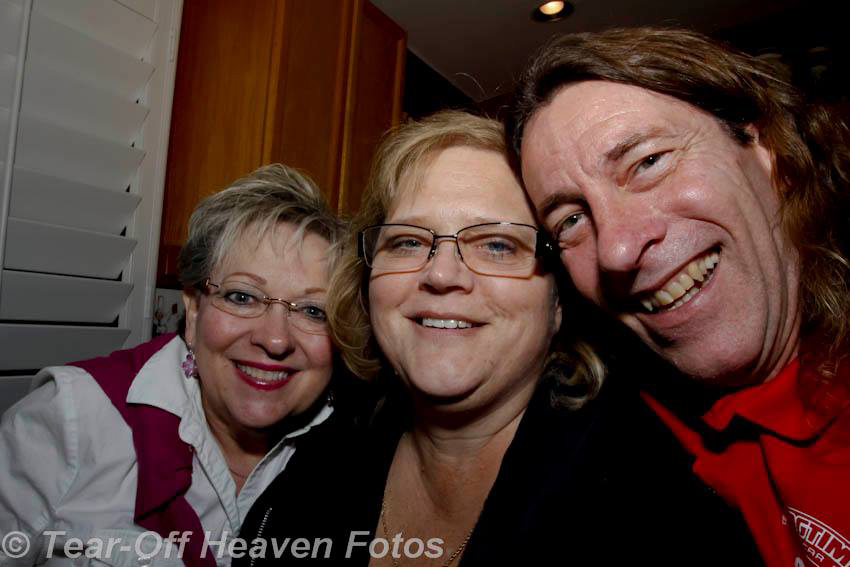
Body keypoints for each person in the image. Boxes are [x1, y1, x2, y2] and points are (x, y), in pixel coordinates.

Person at [236, 111, 763, 565]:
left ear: (559, 301)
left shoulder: (655, 508)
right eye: (408, 241)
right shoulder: (316, 464)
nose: (442, 274)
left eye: (496, 246)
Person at [508, 27, 850, 566]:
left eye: (648, 162)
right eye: (571, 219)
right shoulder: (643, 435)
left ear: (767, 152)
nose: (617, 248)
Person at [0, 164, 347, 566]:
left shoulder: (353, 455)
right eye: (242, 297)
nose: (275, 339)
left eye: (312, 310)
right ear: (194, 311)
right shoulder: (73, 419)